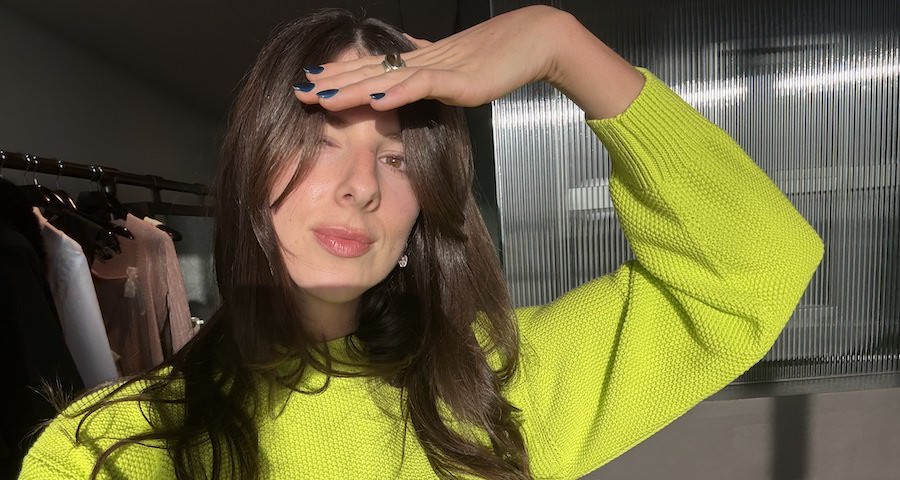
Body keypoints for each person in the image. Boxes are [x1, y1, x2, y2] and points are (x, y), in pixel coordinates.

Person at [19, 5, 823, 480]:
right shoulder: (113, 449)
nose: (361, 185)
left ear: (422, 215)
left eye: (398, 159)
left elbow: (752, 266)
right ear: (251, 172)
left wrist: (559, 43)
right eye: (324, 139)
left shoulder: (504, 386)